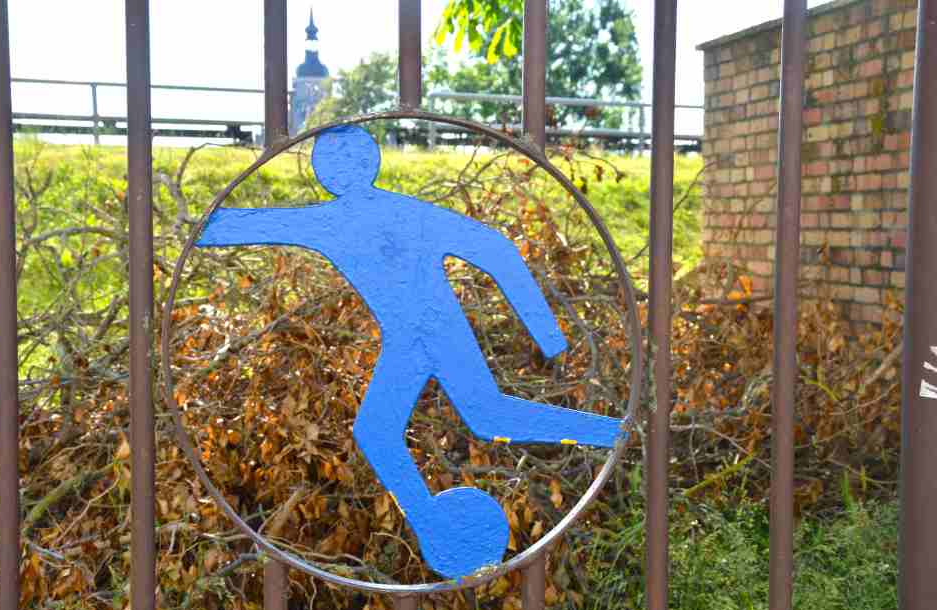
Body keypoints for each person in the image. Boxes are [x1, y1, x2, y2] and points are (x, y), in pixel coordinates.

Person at [197, 125, 623, 579]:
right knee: (381, 432)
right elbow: (252, 224)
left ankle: (609, 432)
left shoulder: (376, 217)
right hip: (407, 341)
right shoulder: (337, 220)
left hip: (439, 331)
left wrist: (549, 334)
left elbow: (495, 249)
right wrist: (199, 226)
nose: (337, 172)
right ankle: (438, 530)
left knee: (485, 417)